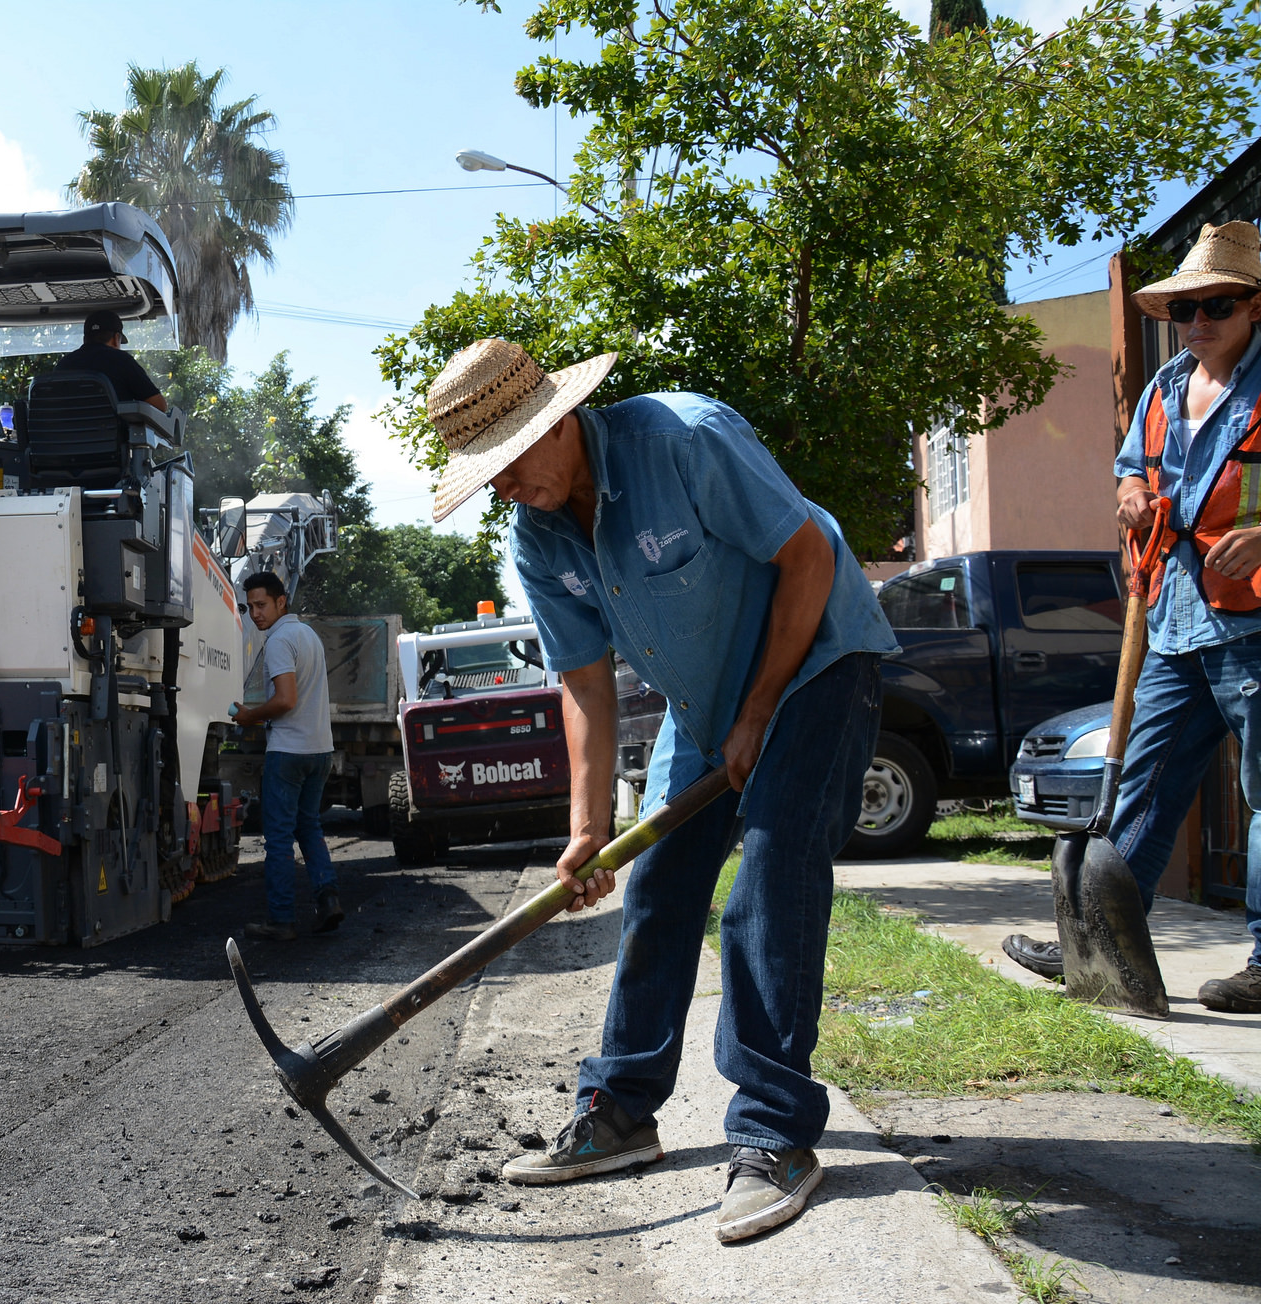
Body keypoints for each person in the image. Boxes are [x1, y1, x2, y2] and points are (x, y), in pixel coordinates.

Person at [420, 337, 896, 1243]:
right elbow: (585, 684)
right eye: (485, 477)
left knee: (770, 881)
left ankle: (772, 1133)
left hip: (819, 664)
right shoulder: (536, 534)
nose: (503, 488)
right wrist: (585, 827)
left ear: (554, 421)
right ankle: (621, 1109)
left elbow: (807, 559)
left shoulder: (684, 438)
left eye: (507, 463)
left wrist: (759, 709)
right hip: (705, 700)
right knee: (659, 890)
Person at [1002, 221, 1261, 1014]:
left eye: (1216, 304)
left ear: (1254, 306)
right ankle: (1097, 935)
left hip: (1253, 626)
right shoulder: (1164, 388)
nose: (1198, 322)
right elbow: (1129, 472)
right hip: (1173, 617)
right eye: (1184, 309)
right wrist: (1130, 495)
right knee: (1141, 782)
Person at [234, 570, 343, 940]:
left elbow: (286, 700)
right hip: (320, 750)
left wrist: (249, 715)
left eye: (261, 605)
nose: (255, 614)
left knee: (278, 838)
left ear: (282, 601)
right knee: (309, 826)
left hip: (289, 752)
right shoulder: (308, 635)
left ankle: (281, 920)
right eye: (250, 607)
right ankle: (328, 899)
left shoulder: (280, 640)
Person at [50, 309, 169, 412]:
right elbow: (159, 406)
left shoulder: (62, 366)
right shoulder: (121, 360)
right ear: (116, 339)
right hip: (114, 437)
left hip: (66, 437)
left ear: (85, 339)